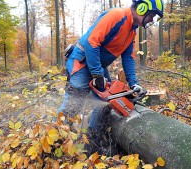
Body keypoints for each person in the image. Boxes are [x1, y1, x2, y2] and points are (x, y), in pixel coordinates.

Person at [58, 0, 164, 155]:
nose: (151, 20)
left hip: (97, 66)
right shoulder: (117, 16)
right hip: (81, 61)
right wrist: (96, 73)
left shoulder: (131, 31)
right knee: (73, 105)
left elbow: (128, 58)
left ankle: (92, 141)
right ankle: (56, 140)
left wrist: (134, 83)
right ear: (142, 8)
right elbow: (91, 42)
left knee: (107, 102)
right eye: (152, 16)